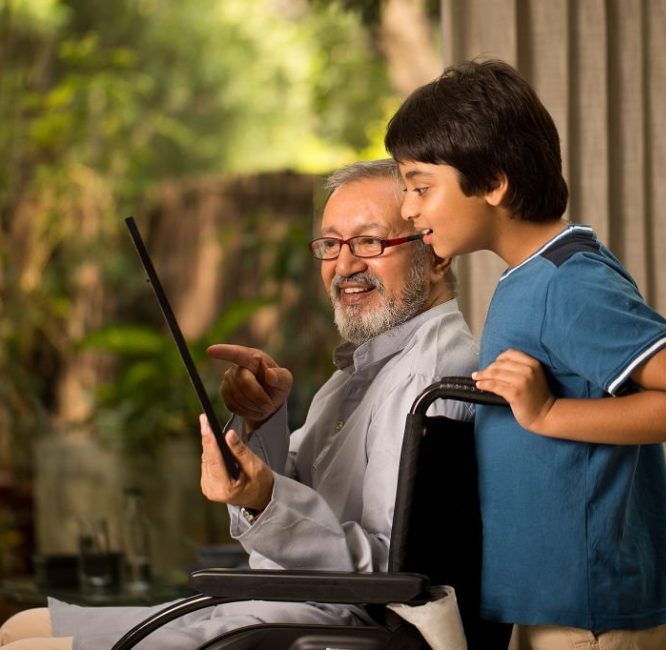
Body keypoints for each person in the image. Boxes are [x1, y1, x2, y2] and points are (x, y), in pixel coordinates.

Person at [0, 159, 478, 649]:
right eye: (331, 244)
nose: (345, 265)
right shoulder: (363, 371)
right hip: (279, 606)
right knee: (18, 627)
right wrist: (264, 421)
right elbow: (303, 490)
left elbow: (390, 570)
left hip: (324, 627)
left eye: (370, 242)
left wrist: (264, 500)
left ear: (435, 254)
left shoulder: (426, 377)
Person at [385, 59, 666, 649]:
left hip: (591, 611)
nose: (409, 209)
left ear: (493, 183)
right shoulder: (528, 277)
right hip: (557, 601)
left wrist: (548, 415)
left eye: (420, 187)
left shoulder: (570, 282)